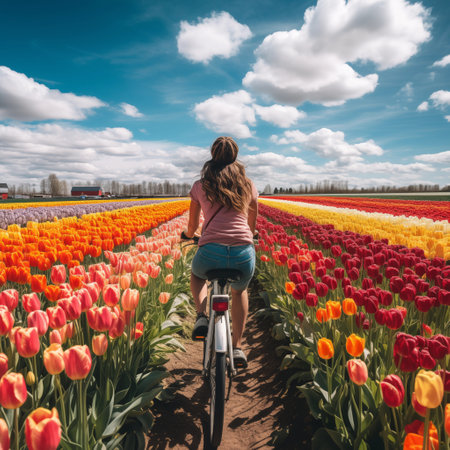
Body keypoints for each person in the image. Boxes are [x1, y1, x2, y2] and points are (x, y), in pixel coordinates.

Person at [181, 136, 258, 368]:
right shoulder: (248, 185)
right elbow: (251, 226)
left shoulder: (199, 186)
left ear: (212, 155)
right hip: (242, 254)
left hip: (209, 252)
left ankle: (202, 315)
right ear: (235, 155)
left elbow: (193, 226)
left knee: (197, 274)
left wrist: (188, 235)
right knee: (239, 292)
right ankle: (237, 347)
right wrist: (248, 236)